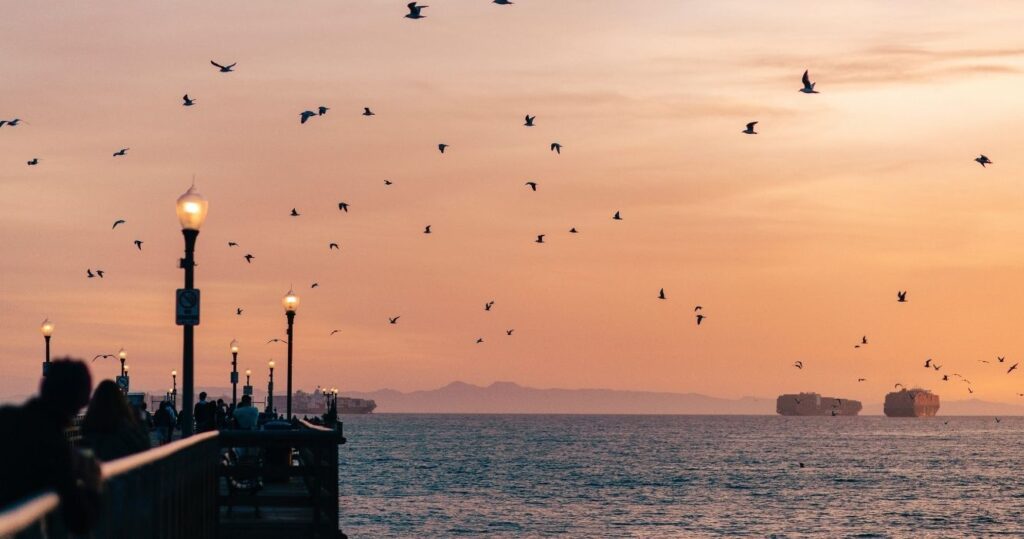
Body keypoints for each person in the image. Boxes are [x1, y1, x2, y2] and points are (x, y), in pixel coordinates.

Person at [0, 359, 101, 534]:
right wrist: (93, 485)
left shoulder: (6, 418)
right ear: (79, 402)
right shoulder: (54, 448)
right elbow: (78, 520)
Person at [81, 380, 151, 461]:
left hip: (97, 469)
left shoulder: (89, 423)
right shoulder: (123, 425)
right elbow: (143, 447)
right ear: (120, 400)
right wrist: (142, 422)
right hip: (121, 469)